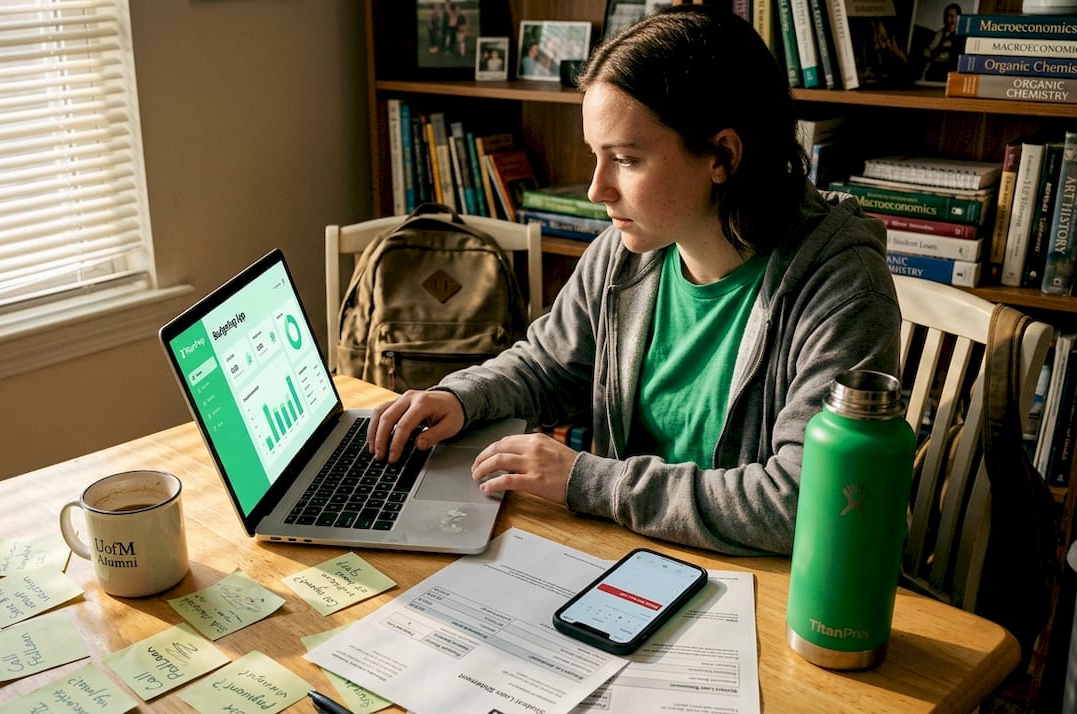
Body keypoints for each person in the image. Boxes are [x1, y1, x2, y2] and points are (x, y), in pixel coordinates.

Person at [367, 4, 900, 556]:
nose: (596, 189)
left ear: (722, 156)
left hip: (764, 588)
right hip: (633, 552)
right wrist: (460, 397)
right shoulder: (625, 253)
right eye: (595, 155)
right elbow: (549, 365)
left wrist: (589, 481)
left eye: (624, 158)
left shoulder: (843, 287)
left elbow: (800, 501)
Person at [921, 3, 963, 82]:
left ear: (958, 18)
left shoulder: (963, 37)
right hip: (933, 72)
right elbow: (927, 52)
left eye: (951, 16)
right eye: (946, 16)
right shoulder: (938, 35)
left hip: (951, 74)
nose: (948, 20)